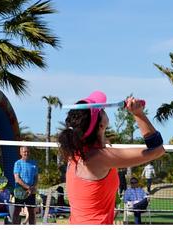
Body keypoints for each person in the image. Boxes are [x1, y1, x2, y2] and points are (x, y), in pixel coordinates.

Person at [57, 92, 165, 224]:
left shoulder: (75, 153)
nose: (103, 109)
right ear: (101, 126)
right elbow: (157, 150)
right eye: (101, 110)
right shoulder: (100, 157)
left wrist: (101, 139)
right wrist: (138, 114)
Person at [12, 146, 38, 225]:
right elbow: (17, 179)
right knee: (17, 210)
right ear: (20, 153)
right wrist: (28, 187)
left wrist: (32, 187)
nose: (26, 153)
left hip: (31, 192)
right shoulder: (18, 163)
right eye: (24, 152)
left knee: (31, 212)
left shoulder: (34, 163)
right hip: (20, 191)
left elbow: (36, 178)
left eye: (27, 151)